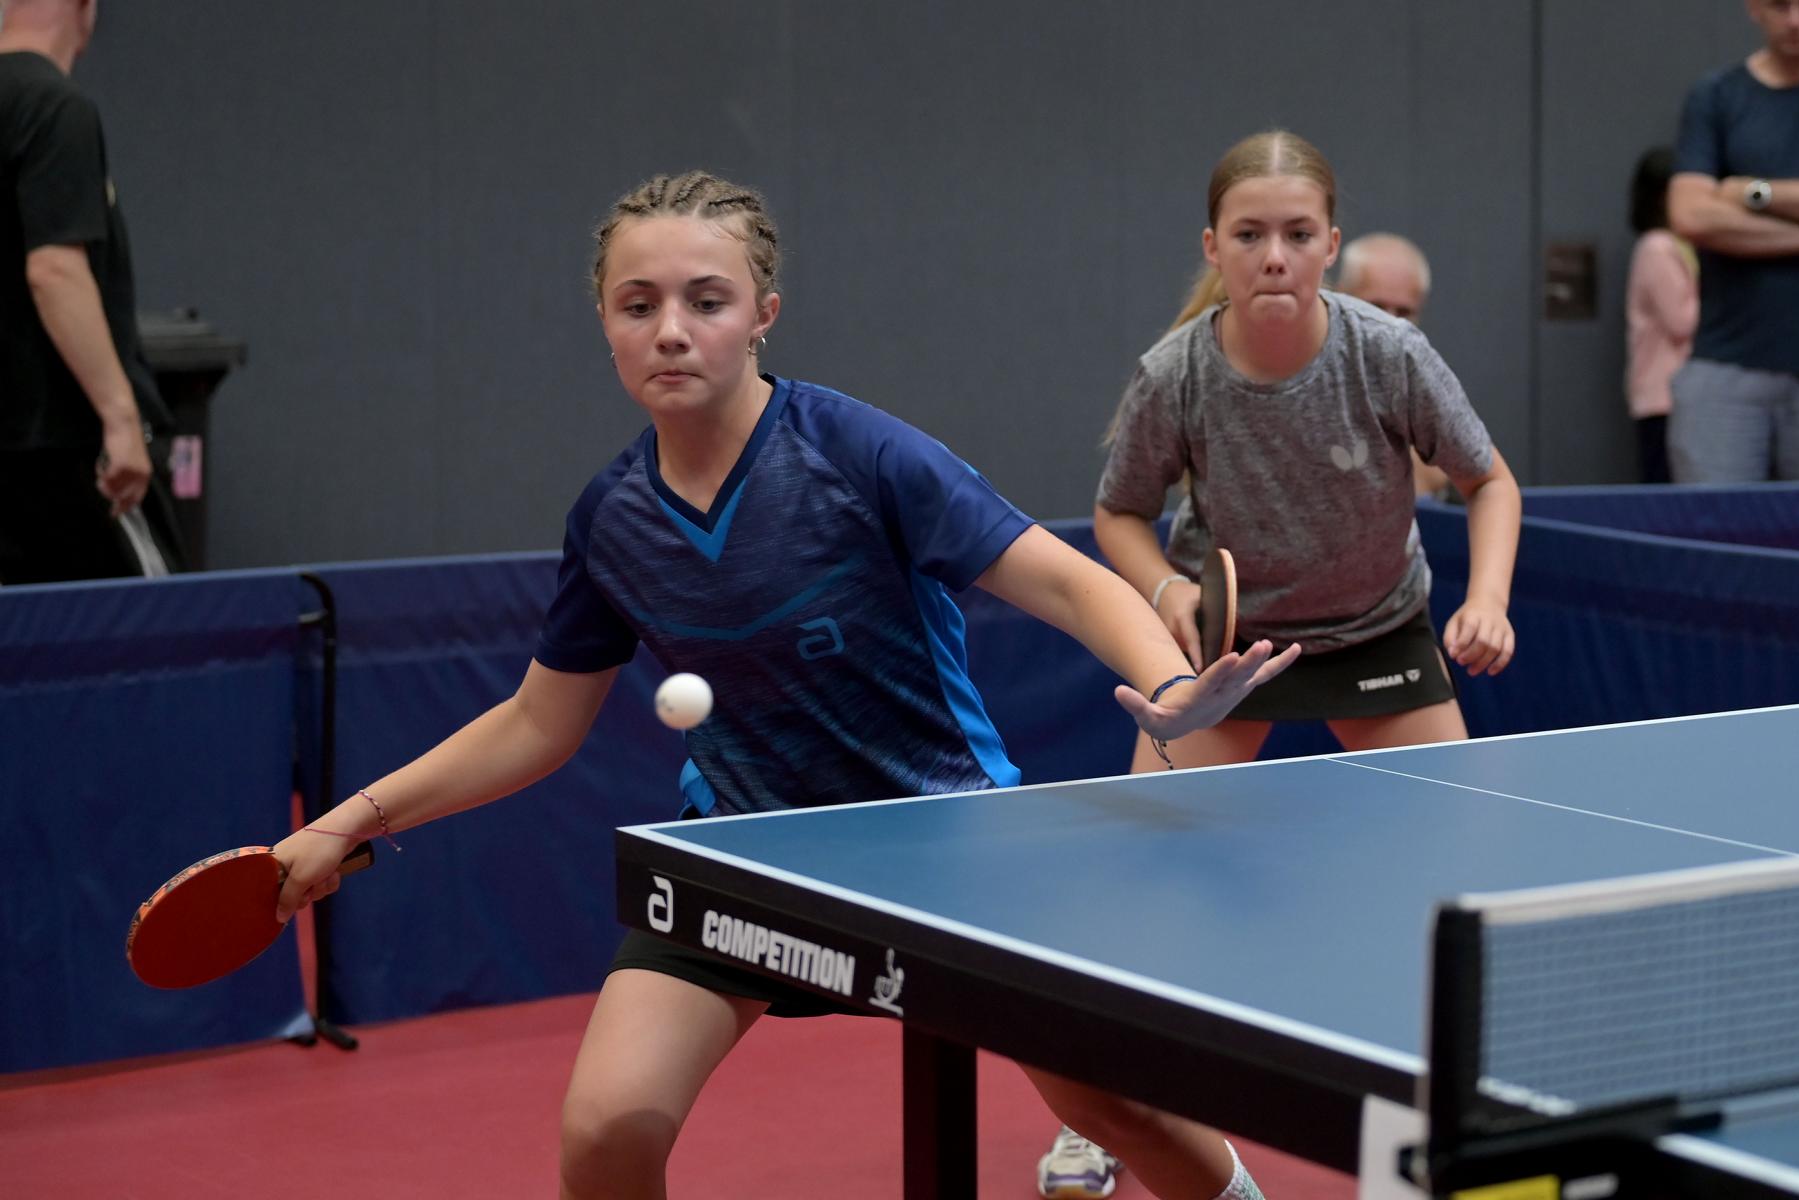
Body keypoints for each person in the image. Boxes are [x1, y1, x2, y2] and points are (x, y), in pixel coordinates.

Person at [270, 171, 1297, 1200]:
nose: (672, 331)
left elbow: (1068, 582)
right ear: (606, 323)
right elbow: (538, 721)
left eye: (706, 301)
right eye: (639, 305)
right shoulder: (612, 519)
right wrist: (350, 820)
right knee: (606, 1128)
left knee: (1119, 1107)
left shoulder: (860, 454)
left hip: (946, 841)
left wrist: (1170, 683)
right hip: (747, 856)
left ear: (763, 314)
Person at [1035, 132, 1521, 1197]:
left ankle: (1486, 1109)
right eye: (1250, 234)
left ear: (1330, 245)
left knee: (1464, 888)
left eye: (1297, 235)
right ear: (1214, 246)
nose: (1274, 256)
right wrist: (1163, 592)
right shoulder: (1177, 372)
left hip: (1379, 637)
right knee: (1142, 886)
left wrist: (1485, 599)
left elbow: (1490, 480)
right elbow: (1119, 513)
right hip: (1229, 655)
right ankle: (1105, 1115)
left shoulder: (1386, 352)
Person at [0, 0, 171, 583]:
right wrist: (121, 419)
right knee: (152, 626)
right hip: (66, 454)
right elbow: (54, 270)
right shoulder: (54, 107)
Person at [1665, 0, 1799, 483]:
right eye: (1780, 4)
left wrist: (1752, 192)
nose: (1795, 20)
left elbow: (1715, 206)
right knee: (1715, 524)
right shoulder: (1717, 96)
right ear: (1753, 7)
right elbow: (1691, 213)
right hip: (1728, 367)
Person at [1334, 232, 1452, 499]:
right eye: (1375, 307)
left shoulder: (1426, 383)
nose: (1389, 326)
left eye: (1404, 312)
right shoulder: (1308, 369)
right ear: (1340, 297)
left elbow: (1469, 476)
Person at [1624, 148, 1699, 484]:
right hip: (1662, 398)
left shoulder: (1681, 244)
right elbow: (1682, 321)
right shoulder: (1657, 247)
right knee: (1665, 491)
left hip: (1681, 398)